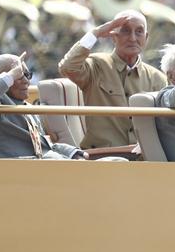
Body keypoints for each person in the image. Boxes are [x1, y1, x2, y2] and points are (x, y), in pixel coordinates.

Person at [58, 10, 167, 149]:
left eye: (139, 32)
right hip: (103, 158)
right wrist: (95, 33)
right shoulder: (96, 65)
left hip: (144, 160)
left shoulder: (157, 79)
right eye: (126, 31)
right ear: (113, 36)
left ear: (146, 38)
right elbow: (67, 67)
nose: (133, 38)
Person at [0, 52, 87, 159]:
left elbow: (40, 145)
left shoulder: (28, 107)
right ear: (0, 78)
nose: (26, 81)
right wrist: (11, 74)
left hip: (43, 163)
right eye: (19, 76)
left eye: (27, 75)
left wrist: (71, 152)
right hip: (15, 168)